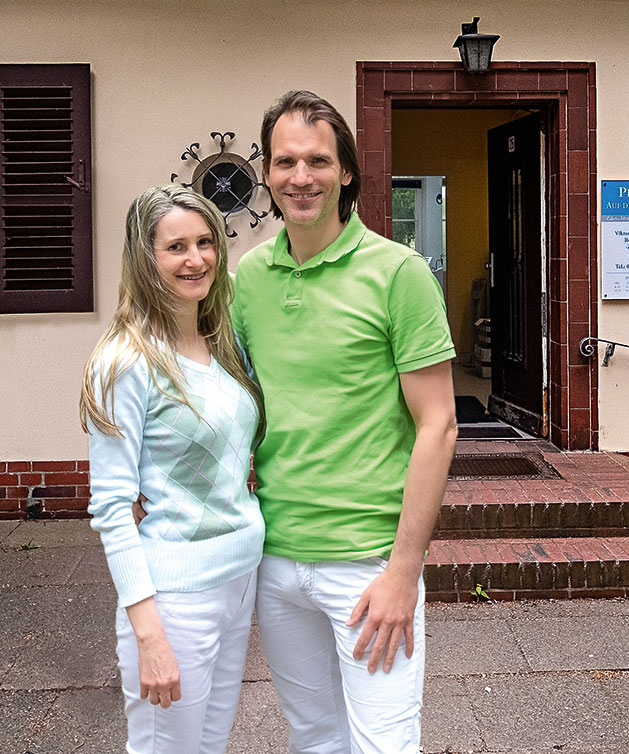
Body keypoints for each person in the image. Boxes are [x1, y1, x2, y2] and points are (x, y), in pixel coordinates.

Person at [232, 90, 458, 753]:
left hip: (367, 564)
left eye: (318, 161)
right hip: (277, 559)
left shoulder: (398, 274)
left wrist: (401, 572)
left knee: (383, 743)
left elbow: (438, 425)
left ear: (347, 172)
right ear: (268, 173)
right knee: (315, 740)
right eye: (285, 162)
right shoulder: (249, 278)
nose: (301, 178)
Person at [79, 185, 265, 754]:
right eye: (176, 247)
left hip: (239, 580)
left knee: (208, 747)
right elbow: (111, 507)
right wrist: (148, 634)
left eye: (206, 242)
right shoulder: (124, 363)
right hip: (176, 598)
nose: (196, 259)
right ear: (145, 258)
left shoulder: (224, 343)